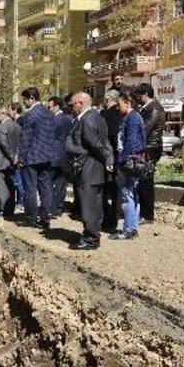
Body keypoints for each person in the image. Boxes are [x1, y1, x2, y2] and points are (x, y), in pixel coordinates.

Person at [66, 92, 114, 250]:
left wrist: (107, 157)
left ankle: (91, 239)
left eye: (72, 105)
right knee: (93, 204)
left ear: (80, 103)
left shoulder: (88, 118)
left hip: (89, 168)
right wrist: (108, 158)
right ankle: (91, 235)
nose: (71, 108)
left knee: (89, 205)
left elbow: (94, 143)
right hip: (93, 168)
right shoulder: (96, 116)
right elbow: (104, 141)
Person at [16, 87, 56, 229]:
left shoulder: (30, 115)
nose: (24, 103)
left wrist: (20, 157)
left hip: (31, 158)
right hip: (46, 157)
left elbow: (26, 139)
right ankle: (45, 218)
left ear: (31, 99)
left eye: (25, 100)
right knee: (45, 188)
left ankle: (31, 218)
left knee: (30, 189)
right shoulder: (49, 114)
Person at [111, 93, 147, 241]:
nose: (117, 108)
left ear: (127, 103)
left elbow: (131, 142)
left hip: (130, 162)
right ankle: (132, 227)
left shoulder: (132, 118)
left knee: (127, 196)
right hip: (136, 160)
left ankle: (128, 229)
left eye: (119, 105)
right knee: (133, 195)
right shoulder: (135, 117)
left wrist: (123, 159)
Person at [132, 83, 165, 224]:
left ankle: (148, 215)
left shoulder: (154, 109)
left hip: (150, 147)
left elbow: (145, 129)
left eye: (138, 96)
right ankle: (143, 212)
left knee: (146, 181)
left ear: (145, 94)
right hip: (145, 147)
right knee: (142, 181)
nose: (136, 99)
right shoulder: (144, 109)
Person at [0, 107, 21, 217]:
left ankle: (5, 209)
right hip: (12, 160)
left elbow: (3, 143)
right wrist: (16, 157)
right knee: (10, 185)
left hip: (2, 160)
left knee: (2, 186)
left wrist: (11, 157)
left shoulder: (2, 126)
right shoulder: (16, 125)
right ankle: (10, 209)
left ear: (4, 114)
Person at [46, 96, 73, 217]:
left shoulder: (53, 120)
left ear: (56, 107)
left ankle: (52, 208)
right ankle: (58, 207)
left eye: (49, 107)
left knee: (49, 183)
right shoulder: (68, 119)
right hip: (64, 156)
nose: (47, 109)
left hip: (53, 156)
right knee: (61, 184)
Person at [100, 90, 122, 230]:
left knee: (108, 189)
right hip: (116, 155)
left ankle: (110, 218)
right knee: (115, 190)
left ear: (107, 99)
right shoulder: (119, 113)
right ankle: (114, 215)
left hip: (109, 156)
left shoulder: (107, 114)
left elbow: (111, 135)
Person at [9, 102, 26, 206]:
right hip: (13, 153)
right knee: (15, 179)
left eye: (10, 110)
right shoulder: (14, 121)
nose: (9, 112)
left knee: (20, 179)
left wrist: (19, 154)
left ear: (15, 110)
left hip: (18, 154)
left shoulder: (21, 121)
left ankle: (22, 201)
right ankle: (18, 200)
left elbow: (21, 139)